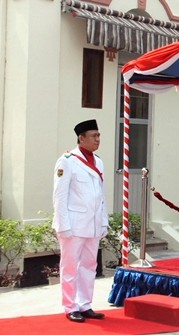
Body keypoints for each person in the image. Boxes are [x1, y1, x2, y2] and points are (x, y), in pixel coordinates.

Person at [52, 119, 109, 322]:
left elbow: (101, 195)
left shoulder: (98, 161)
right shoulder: (67, 160)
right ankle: (70, 306)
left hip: (92, 224)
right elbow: (60, 195)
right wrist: (62, 224)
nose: (97, 139)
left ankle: (84, 304)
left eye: (99, 135)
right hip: (73, 225)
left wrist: (103, 221)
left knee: (89, 266)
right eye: (93, 136)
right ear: (81, 138)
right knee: (69, 267)